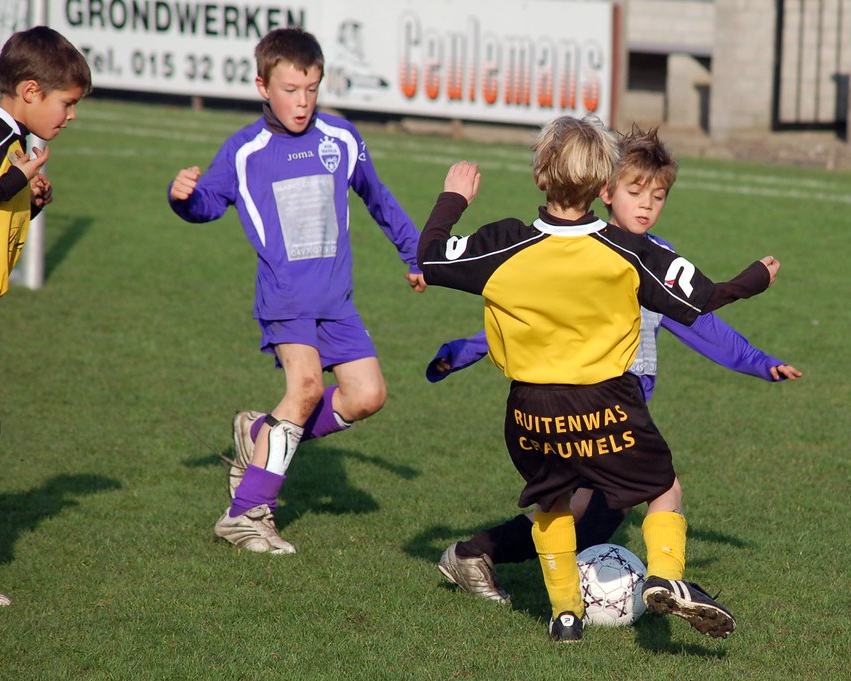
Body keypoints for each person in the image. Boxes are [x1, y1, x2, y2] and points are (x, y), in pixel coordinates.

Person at [418, 114, 780, 642]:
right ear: (603, 185)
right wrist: (754, 279)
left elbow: (429, 257)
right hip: (607, 400)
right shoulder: (630, 250)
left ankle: (566, 616)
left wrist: (454, 198)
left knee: (554, 503)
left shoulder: (505, 243)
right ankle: (665, 575)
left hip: (529, 409)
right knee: (664, 489)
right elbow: (703, 299)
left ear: (540, 176)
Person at [168, 28, 425, 555]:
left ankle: (259, 433)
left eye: (311, 88)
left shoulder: (341, 138)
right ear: (263, 86)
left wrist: (415, 253)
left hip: (337, 300)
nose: (302, 102)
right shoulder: (246, 150)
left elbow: (379, 198)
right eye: (290, 90)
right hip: (285, 297)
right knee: (305, 390)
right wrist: (184, 198)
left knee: (367, 396)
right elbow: (208, 203)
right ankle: (245, 514)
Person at [0, 26, 92, 606]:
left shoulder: (10, 141)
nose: (71, 116)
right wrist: (16, 178)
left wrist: (26, 200)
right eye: (67, 103)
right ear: (30, 90)